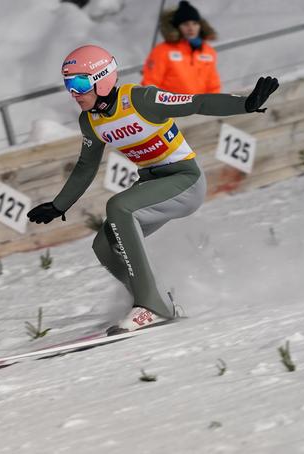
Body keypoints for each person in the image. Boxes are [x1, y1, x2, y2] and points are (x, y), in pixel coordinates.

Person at [27, 44, 278, 334]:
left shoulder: (140, 98)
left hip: (184, 180)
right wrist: (59, 205)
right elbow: (86, 166)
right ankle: (157, 296)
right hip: (152, 182)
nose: (74, 92)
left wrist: (244, 104)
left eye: (80, 83)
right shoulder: (91, 121)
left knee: (119, 207)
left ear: (103, 78)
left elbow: (196, 103)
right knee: (105, 244)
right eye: (68, 85)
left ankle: (151, 306)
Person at [141, 1, 221, 94]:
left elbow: (213, 85)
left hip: (198, 106)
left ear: (200, 25)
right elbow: (150, 83)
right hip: (169, 106)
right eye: (185, 24)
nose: (191, 28)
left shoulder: (208, 52)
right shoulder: (162, 51)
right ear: (177, 27)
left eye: (195, 23)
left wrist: (213, 106)